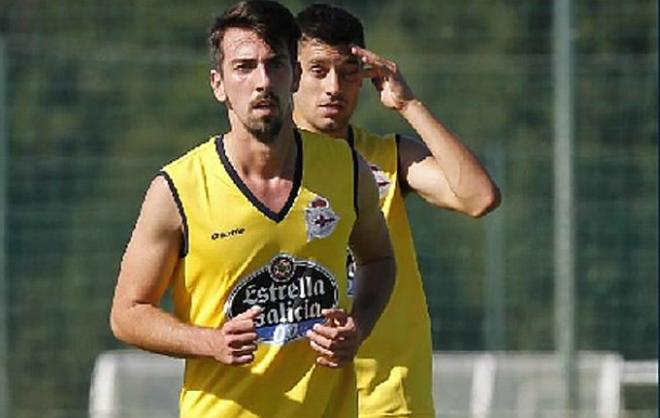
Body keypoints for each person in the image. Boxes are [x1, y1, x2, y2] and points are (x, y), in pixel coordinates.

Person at [109, 2, 396, 417]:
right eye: (244, 67)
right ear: (218, 83)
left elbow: (380, 259)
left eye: (275, 64)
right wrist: (210, 342)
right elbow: (128, 314)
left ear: (294, 76)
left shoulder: (346, 169)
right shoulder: (178, 189)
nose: (263, 81)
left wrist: (359, 328)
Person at [293, 4, 501, 418]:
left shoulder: (389, 157)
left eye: (348, 72)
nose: (334, 86)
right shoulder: (262, 167)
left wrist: (408, 105)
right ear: (291, 74)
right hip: (297, 399)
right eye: (318, 71)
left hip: (388, 401)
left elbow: (479, 198)